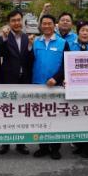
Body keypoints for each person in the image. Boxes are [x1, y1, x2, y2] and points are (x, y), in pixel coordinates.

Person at [0, 9, 33, 156]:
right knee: (7, 111)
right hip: (8, 80)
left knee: (22, 112)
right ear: (9, 23)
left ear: (22, 21)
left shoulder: (27, 37)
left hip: (24, 80)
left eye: (19, 20)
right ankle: (5, 143)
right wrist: (5, 39)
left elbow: (30, 60)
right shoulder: (3, 38)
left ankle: (21, 144)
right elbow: (2, 54)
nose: (17, 23)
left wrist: (30, 46)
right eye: (13, 21)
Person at [32, 14, 68, 160]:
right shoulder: (35, 42)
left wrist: (57, 78)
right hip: (37, 85)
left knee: (55, 117)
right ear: (41, 26)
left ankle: (55, 148)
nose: (47, 26)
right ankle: (43, 147)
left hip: (55, 86)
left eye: (49, 23)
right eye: (44, 23)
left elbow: (66, 64)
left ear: (55, 25)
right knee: (40, 117)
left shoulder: (63, 43)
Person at [68, 20, 88, 158]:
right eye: (82, 30)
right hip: (75, 86)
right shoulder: (70, 45)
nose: (85, 33)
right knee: (77, 115)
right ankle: (79, 144)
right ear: (78, 32)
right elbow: (66, 64)